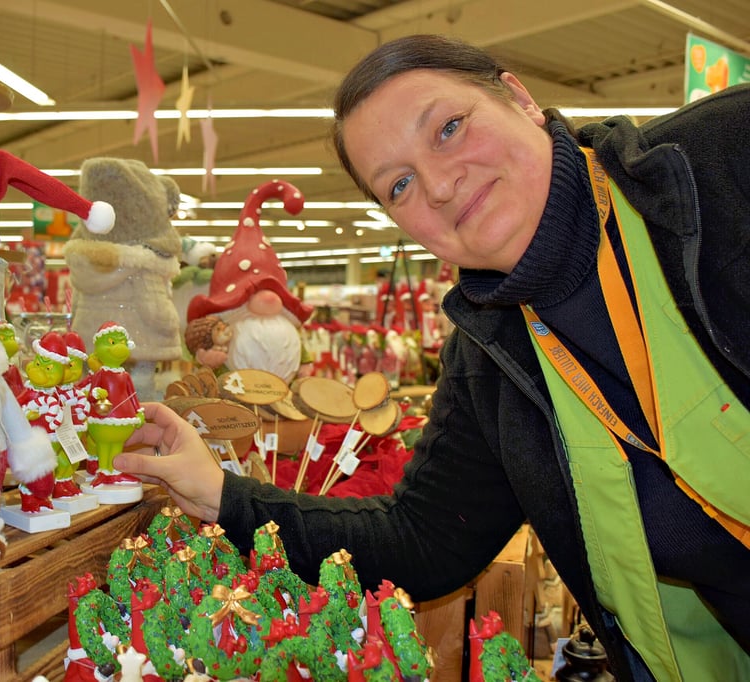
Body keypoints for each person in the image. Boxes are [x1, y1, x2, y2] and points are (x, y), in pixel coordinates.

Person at [114, 34, 750, 681]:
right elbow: (423, 538)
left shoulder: (722, 165)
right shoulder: (488, 355)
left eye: (449, 127)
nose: (441, 185)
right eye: (399, 185)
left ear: (521, 98)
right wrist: (223, 494)